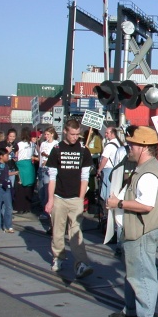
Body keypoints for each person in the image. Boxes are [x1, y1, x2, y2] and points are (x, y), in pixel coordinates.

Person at [105, 126, 158, 317]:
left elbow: (146, 205)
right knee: (133, 273)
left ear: (144, 147)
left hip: (141, 231)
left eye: (133, 144)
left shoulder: (148, 172)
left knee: (142, 275)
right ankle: (131, 309)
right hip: (135, 230)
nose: (129, 146)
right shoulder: (145, 167)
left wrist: (118, 203)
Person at [45, 119, 95, 279]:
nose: (75, 137)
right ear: (65, 132)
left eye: (77, 134)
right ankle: (58, 257)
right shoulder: (56, 149)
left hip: (75, 199)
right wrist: (50, 199)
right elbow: (52, 177)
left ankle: (81, 262)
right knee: (58, 232)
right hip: (59, 197)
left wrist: (81, 199)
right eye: (72, 134)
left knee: (76, 232)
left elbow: (85, 177)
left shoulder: (83, 150)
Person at [0, 148, 15, 233]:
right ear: (1, 156)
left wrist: (15, 173)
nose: (8, 157)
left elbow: (6, 174)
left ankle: (8, 226)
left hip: (6, 187)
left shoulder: (6, 165)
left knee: (9, 207)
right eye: (6, 155)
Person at [97, 126, 121, 209]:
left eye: (107, 133)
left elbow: (105, 159)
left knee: (106, 192)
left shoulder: (109, 145)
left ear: (113, 133)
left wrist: (99, 170)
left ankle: (106, 210)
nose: (105, 134)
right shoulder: (119, 143)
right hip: (115, 170)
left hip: (108, 170)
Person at [38, 127, 59, 219]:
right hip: (41, 168)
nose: (46, 136)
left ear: (52, 135)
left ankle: (46, 212)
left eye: (48, 134)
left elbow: (56, 157)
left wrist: (48, 160)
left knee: (47, 190)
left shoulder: (56, 144)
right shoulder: (43, 143)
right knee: (40, 190)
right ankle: (43, 206)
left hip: (49, 169)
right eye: (45, 134)